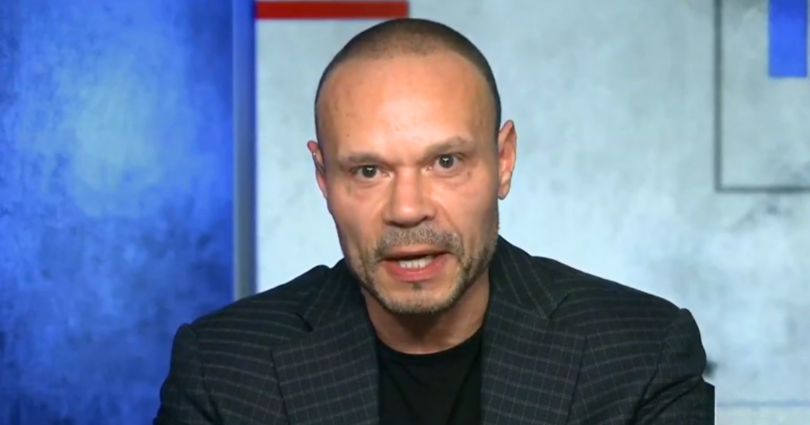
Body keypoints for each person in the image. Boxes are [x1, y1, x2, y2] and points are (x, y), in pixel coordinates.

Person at [154, 18, 714, 425]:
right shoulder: (225, 370)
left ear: (504, 162)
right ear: (324, 179)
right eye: (369, 170)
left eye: (445, 162)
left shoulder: (640, 356)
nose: (407, 208)